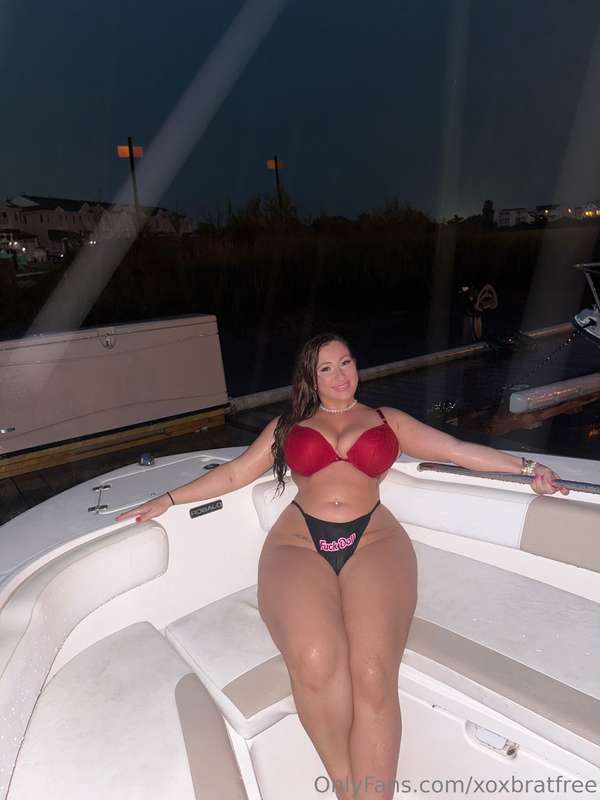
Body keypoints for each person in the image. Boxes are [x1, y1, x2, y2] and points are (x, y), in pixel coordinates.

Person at [116, 332, 568, 800]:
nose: (340, 375)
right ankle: (347, 788)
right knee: (314, 661)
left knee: (372, 671)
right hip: (298, 543)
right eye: (326, 368)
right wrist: (168, 499)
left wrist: (526, 469)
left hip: (373, 539)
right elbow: (235, 473)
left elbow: (453, 449)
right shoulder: (288, 426)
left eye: (346, 362)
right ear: (311, 378)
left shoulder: (387, 420)